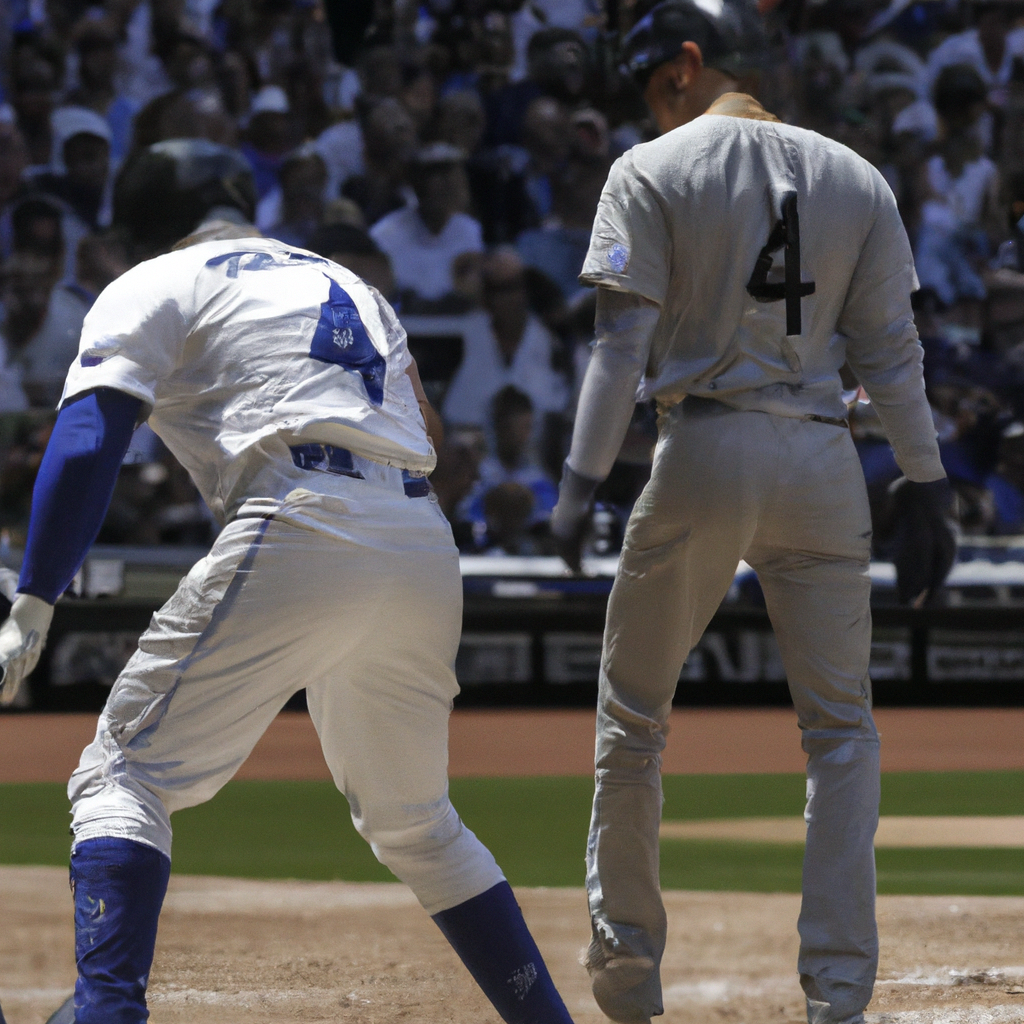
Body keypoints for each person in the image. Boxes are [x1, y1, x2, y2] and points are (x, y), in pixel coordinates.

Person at [0, 211, 577, 1024]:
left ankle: (105, 1011)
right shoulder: (352, 285)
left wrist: (35, 596)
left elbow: (91, 432)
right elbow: (430, 435)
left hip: (302, 513)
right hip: (418, 535)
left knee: (122, 772)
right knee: (416, 824)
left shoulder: (162, 279)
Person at [548, 3, 957, 1024]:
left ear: (688, 64)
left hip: (706, 443)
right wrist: (927, 479)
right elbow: (892, 353)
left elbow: (617, 346)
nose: (649, 103)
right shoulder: (855, 174)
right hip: (822, 455)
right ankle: (836, 998)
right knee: (842, 733)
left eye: (652, 81)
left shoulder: (651, 169)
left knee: (633, 721)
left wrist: (576, 481)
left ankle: (629, 981)